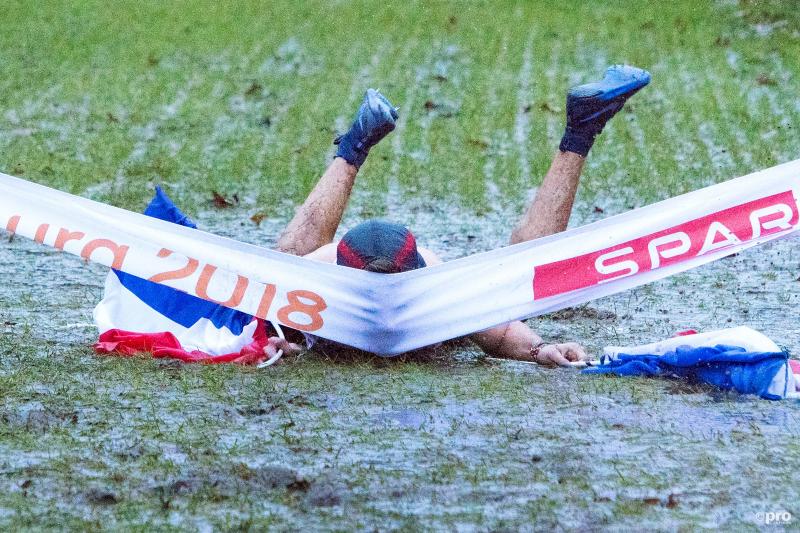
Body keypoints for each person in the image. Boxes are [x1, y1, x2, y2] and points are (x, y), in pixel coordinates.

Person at [268, 65, 651, 366]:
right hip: (320, 282)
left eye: (395, 300)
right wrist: (291, 346)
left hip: (389, 281)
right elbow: (264, 321)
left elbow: (497, 330)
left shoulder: (438, 292)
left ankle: (355, 145)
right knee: (282, 271)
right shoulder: (311, 292)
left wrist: (541, 349)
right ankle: (354, 144)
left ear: (417, 284)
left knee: (524, 280)